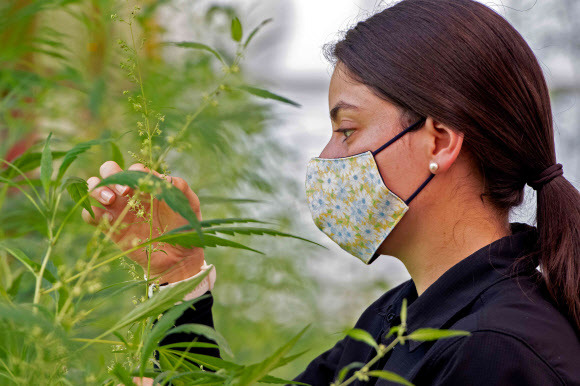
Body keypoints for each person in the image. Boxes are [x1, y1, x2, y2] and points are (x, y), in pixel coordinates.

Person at [82, 0, 580, 384]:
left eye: (346, 130)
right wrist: (178, 276)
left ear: (440, 141)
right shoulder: (397, 321)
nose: (326, 158)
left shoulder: (496, 351)